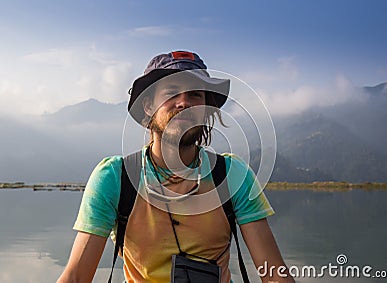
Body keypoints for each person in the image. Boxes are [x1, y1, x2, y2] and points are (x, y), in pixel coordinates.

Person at [57, 51, 294, 283]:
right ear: (148, 106)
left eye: (195, 95)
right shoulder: (114, 179)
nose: (184, 103)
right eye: (171, 93)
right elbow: (76, 276)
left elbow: (274, 274)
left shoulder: (232, 175)